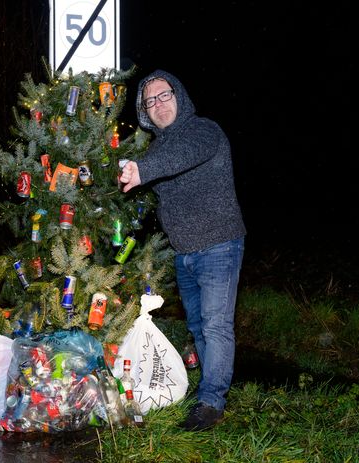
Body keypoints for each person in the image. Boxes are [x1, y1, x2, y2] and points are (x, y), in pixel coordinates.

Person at [119, 70, 246, 431]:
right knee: (198, 327)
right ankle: (211, 392)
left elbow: (182, 156)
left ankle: (211, 402)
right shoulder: (156, 149)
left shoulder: (204, 131)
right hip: (184, 252)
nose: (158, 104)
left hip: (220, 243)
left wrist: (142, 169)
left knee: (217, 325)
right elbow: (154, 188)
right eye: (150, 101)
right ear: (145, 112)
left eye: (164, 95)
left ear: (180, 96)